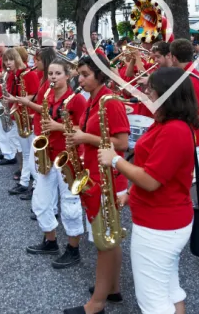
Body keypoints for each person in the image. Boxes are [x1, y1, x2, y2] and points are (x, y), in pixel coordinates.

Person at [96, 67, 196, 314]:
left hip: (160, 226)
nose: (146, 94)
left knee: (152, 301)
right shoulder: (168, 124)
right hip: (164, 221)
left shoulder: (174, 130)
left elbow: (151, 180)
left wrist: (116, 160)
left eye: (151, 90)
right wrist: (130, 196)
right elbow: (157, 171)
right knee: (171, 291)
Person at [63, 55, 129, 314]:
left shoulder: (110, 102)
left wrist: (84, 137)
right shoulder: (94, 100)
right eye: (79, 74)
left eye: (85, 74)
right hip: (95, 174)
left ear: (100, 75)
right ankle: (112, 289)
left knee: (104, 241)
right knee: (109, 240)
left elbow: (122, 143)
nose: (80, 79)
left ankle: (96, 304)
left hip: (108, 179)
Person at [23, 59, 86, 268]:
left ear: (68, 76)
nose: (53, 77)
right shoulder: (48, 95)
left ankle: (73, 249)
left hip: (68, 155)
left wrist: (57, 126)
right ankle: (50, 241)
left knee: (70, 204)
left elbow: (83, 131)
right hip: (48, 153)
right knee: (41, 201)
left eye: (58, 73)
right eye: (50, 73)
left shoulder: (76, 100)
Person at [1, 47, 39, 198]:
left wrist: (14, 100)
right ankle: (24, 182)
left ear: (17, 59)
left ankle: (36, 186)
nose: (7, 63)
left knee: (32, 155)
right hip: (20, 115)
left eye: (10, 59)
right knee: (26, 153)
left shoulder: (29, 74)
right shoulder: (15, 75)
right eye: (5, 60)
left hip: (29, 117)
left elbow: (34, 96)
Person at [167, 39, 199, 145]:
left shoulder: (190, 78)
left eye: (170, 56)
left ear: (174, 58)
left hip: (193, 136)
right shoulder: (185, 74)